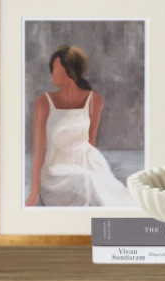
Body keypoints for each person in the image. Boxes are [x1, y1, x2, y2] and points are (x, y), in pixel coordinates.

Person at [25, 45, 133, 208]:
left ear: (69, 70)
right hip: (57, 171)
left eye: (55, 68)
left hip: (88, 163)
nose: (52, 73)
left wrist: (96, 170)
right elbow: (39, 151)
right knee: (86, 181)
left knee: (109, 190)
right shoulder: (44, 102)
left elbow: (91, 141)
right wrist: (34, 191)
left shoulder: (94, 99)